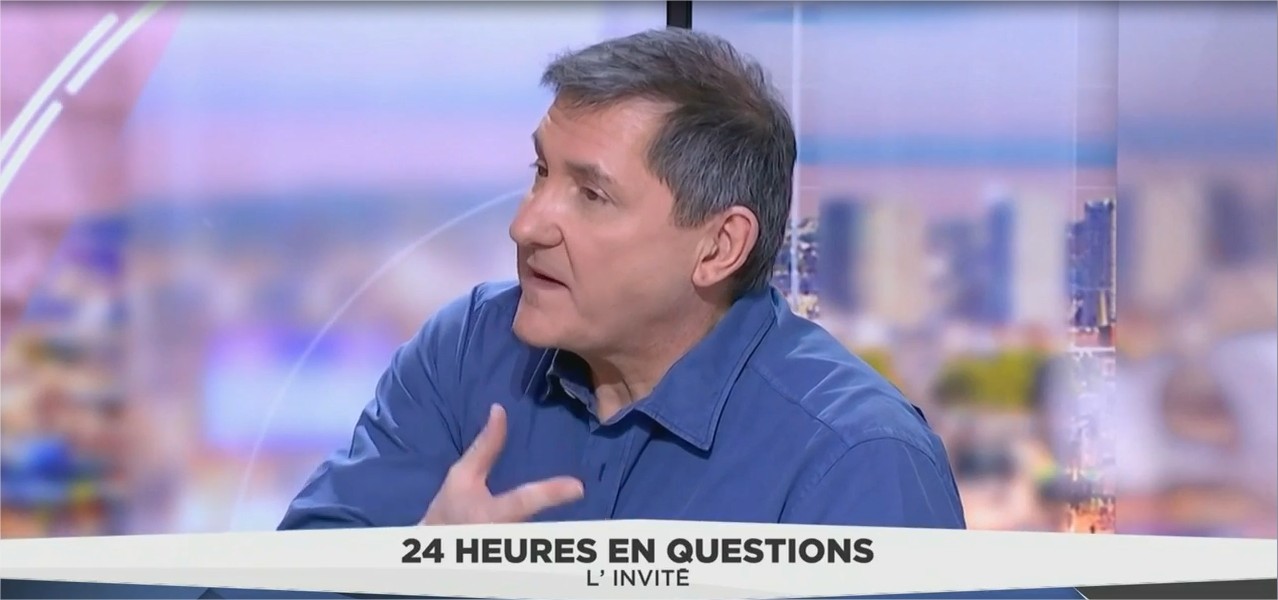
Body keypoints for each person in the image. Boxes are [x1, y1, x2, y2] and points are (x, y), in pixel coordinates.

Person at [278, 28, 966, 532]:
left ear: (719, 246)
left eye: (591, 195)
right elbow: (276, 582)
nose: (526, 225)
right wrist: (415, 567)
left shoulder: (857, 460)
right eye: (540, 172)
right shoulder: (467, 354)